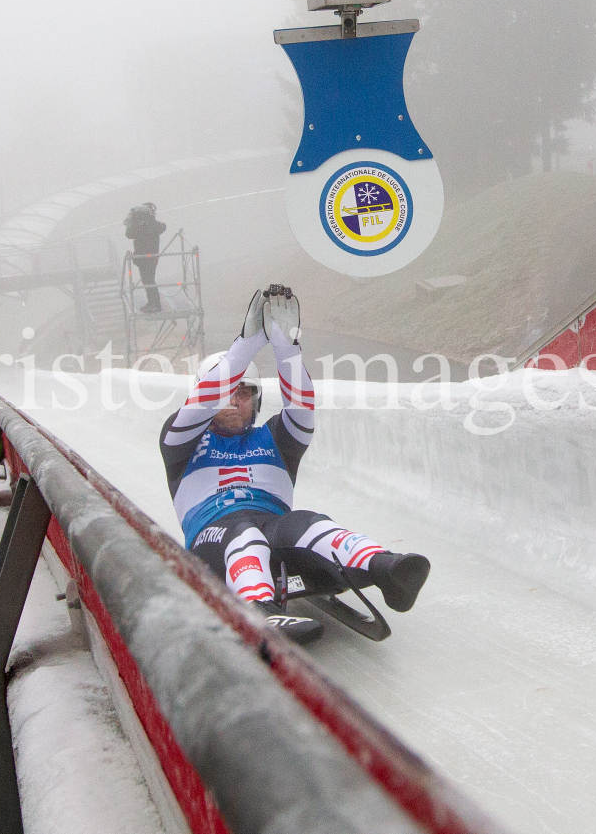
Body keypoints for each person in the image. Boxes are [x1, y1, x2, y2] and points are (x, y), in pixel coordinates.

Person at [159, 285, 430, 643]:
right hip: (213, 540)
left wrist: (287, 348)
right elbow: (202, 402)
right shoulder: (182, 441)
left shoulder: (275, 437)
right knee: (244, 534)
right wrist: (248, 345)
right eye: (228, 390)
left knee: (308, 523)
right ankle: (260, 612)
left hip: (276, 529)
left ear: (256, 401)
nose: (234, 400)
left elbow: (300, 407)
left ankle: (386, 569)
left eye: (245, 392)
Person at [124, 202, 167, 313]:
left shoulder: (142, 226)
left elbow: (129, 234)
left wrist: (133, 221)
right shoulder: (151, 224)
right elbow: (162, 226)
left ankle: (155, 304)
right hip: (151, 258)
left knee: (148, 280)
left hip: (144, 258)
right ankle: (152, 303)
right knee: (148, 280)